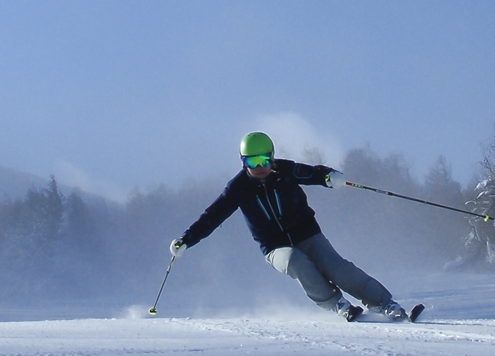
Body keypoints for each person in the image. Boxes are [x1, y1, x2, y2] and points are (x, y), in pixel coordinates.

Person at [171, 131, 410, 321]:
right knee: (297, 262)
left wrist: (329, 177)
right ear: (243, 163)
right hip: (275, 247)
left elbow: (312, 173)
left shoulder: (284, 171)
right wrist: (187, 238)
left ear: (272, 157)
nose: (260, 167)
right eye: (252, 162)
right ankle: (335, 304)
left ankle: (384, 303)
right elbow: (212, 217)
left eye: (264, 159)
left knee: (337, 268)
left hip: (307, 233)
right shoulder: (237, 189)